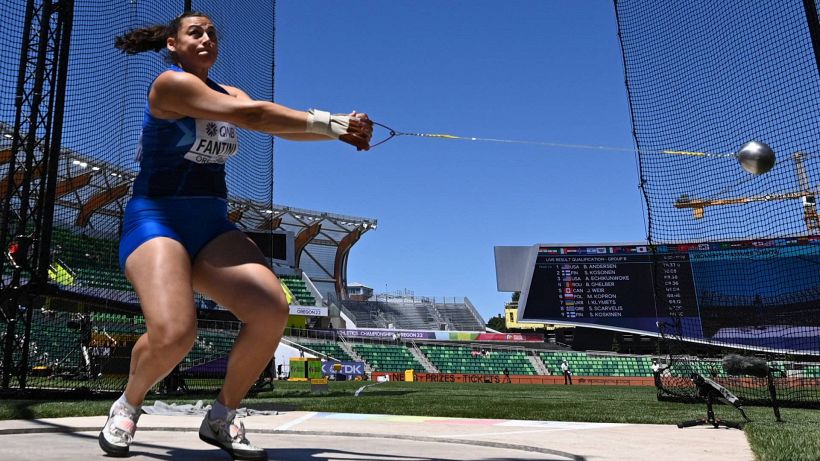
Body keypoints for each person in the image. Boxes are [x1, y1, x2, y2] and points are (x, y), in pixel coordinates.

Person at [98, 11, 372, 461]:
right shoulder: (171, 85)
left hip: (211, 225)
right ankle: (128, 405)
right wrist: (333, 122)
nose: (206, 38)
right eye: (195, 32)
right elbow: (255, 114)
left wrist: (337, 136)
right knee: (174, 333)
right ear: (172, 44)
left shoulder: (230, 93)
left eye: (211, 33)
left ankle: (221, 416)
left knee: (271, 308)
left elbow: (269, 123)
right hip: (156, 218)